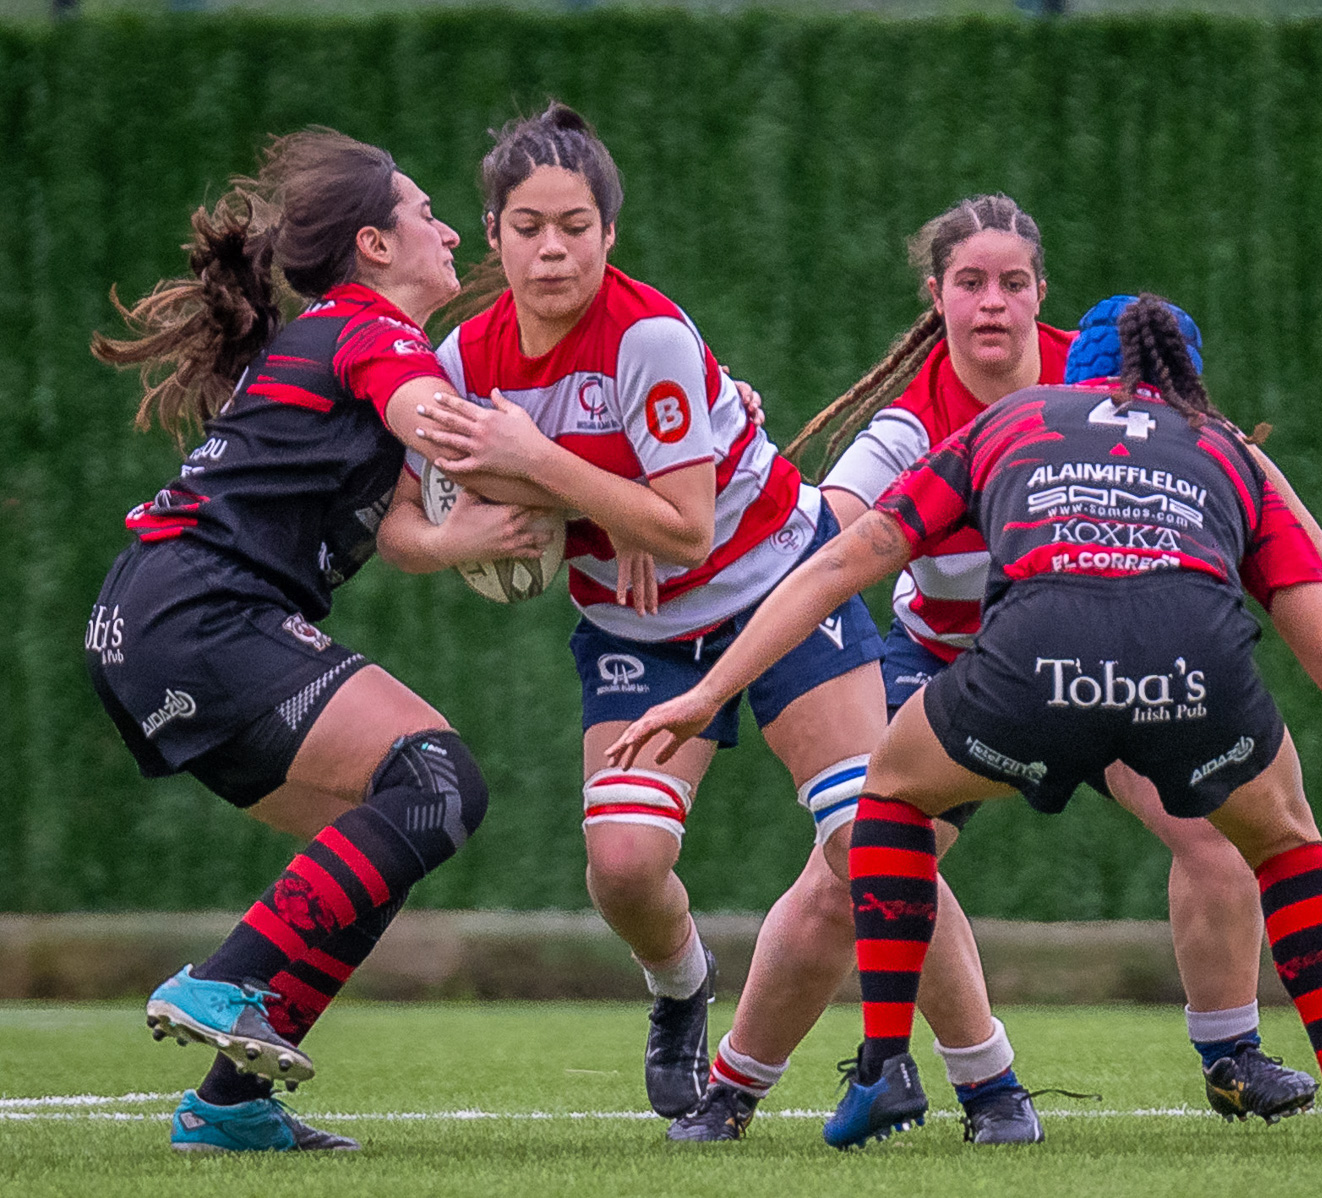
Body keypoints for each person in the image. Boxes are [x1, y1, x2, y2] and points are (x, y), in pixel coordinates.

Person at [609, 293, 1322, 1151]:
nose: (992, 304)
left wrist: (707, 691)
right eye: (973, 283)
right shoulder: (1224, 449)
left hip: (1029, 673)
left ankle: (887, 1065)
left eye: (1010, 284)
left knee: (884, 800)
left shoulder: (1013, 419)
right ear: (1193, 385)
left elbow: (838, 561)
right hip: (1181, 679)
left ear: (1072, 359)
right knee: (1285, 841)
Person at [379, 104, 1007, 1129]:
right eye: (529, 226)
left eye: (576, 225)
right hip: (638, 631)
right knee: (624, 869)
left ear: (610, 232)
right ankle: (681, 985)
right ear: (493, 234)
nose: (553, 250)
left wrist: (541, 468)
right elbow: (402, 526)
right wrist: (470, 538)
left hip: (780, 585)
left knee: (869, 841)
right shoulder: (461, 365)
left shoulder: (650, 337)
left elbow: (683, 525)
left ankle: (990, 1084)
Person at [87, 130, 514, 1153]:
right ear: (374, 244)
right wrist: (615, 474)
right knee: (439, 781)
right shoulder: (371, 330)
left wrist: (467, 537)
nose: (452, 232)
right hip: (199, 612)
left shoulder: (337, 338)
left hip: (151, 621)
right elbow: (444, 428)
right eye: (426, 214)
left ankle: (231, 1105)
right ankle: (224, 978)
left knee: (392, 831)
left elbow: (401, 530)